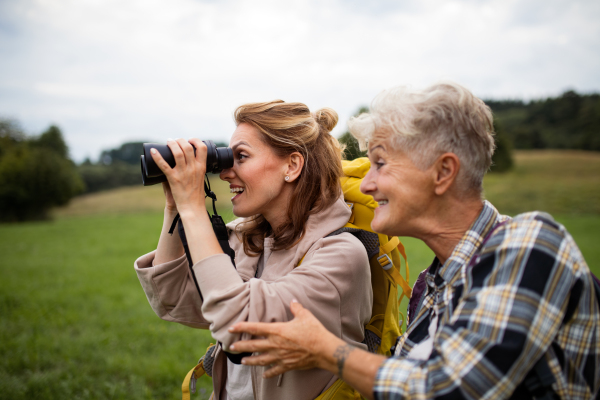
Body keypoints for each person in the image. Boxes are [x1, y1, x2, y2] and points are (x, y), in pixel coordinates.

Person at [228, 83, 600, 399]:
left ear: (443, 172)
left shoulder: (530, 247)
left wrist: (328, 351)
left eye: (380, 163)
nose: (367, 184)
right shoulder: (430, 287)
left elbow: (447, 389)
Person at [133, 100, 372, 400]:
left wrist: (194, 209)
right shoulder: (250, 241)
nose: (225, 173)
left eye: (241, 156)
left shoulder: (340, 254)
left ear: (292, 165)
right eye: (228, 158)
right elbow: (173, 298)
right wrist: (175, 206)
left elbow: (240, 328)